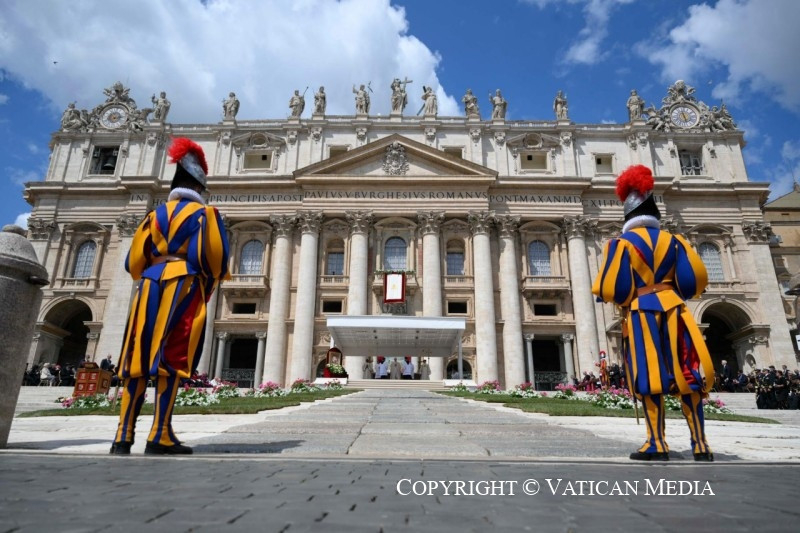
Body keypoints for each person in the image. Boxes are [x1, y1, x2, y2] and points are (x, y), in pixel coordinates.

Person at [110, 137, 230, 456]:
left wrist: (153, 271)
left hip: (149, 285)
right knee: (171, 357)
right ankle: (160, 434)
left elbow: (133, 263)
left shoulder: (153, 216)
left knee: (138, 357)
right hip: (184, 286)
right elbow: (215, 260)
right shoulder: (204, 215)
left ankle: (123, 435)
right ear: (200, 187)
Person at [592, 164, 715, 462]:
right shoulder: (676, 241)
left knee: (649, 375)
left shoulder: (620, 244)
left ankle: (656, 443)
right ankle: (700, 445)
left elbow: (613, 288)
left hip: (641, 312)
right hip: (676, 311)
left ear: (628, 217)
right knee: (686, 372)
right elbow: (691, 282)